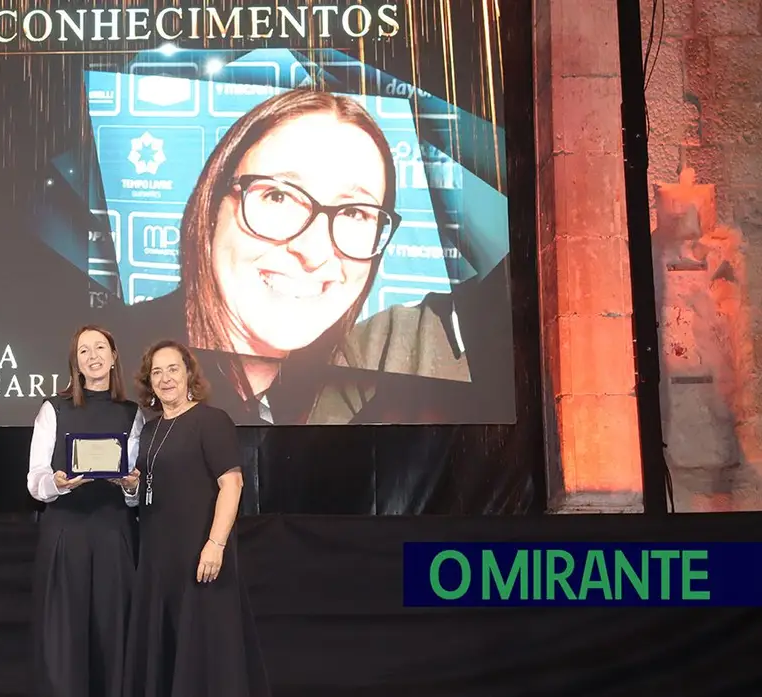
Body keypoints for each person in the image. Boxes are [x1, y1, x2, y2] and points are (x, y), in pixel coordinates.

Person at [118, 89, 510, 426]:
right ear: (210, 209)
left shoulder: (342, 393)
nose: (313, 250)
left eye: (355, 212)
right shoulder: (119, 364)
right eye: (278, 196)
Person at [124, 340, 270, 697]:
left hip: (201, 557)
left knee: (206, 651)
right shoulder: (149, 430)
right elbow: (151, 485)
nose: (165, 378)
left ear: (189, 374)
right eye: (156, 372)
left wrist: (215, 545)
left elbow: (232, 484)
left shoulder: (211, 420)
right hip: (159, 560)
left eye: (173, 369)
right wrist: (131, 485)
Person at [28, 325, 145, 697]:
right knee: (63, 637)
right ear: (75, 363)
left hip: (115, 533)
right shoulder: (54, 408)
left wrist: (130, 488)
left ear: (113, 358)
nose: (92, 356)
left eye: (100, 348)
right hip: (65, 532)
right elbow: (35, 479)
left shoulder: (132, 414)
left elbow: (137, 485)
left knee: (115, 632)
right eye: (83, 351)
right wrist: (57, 484)